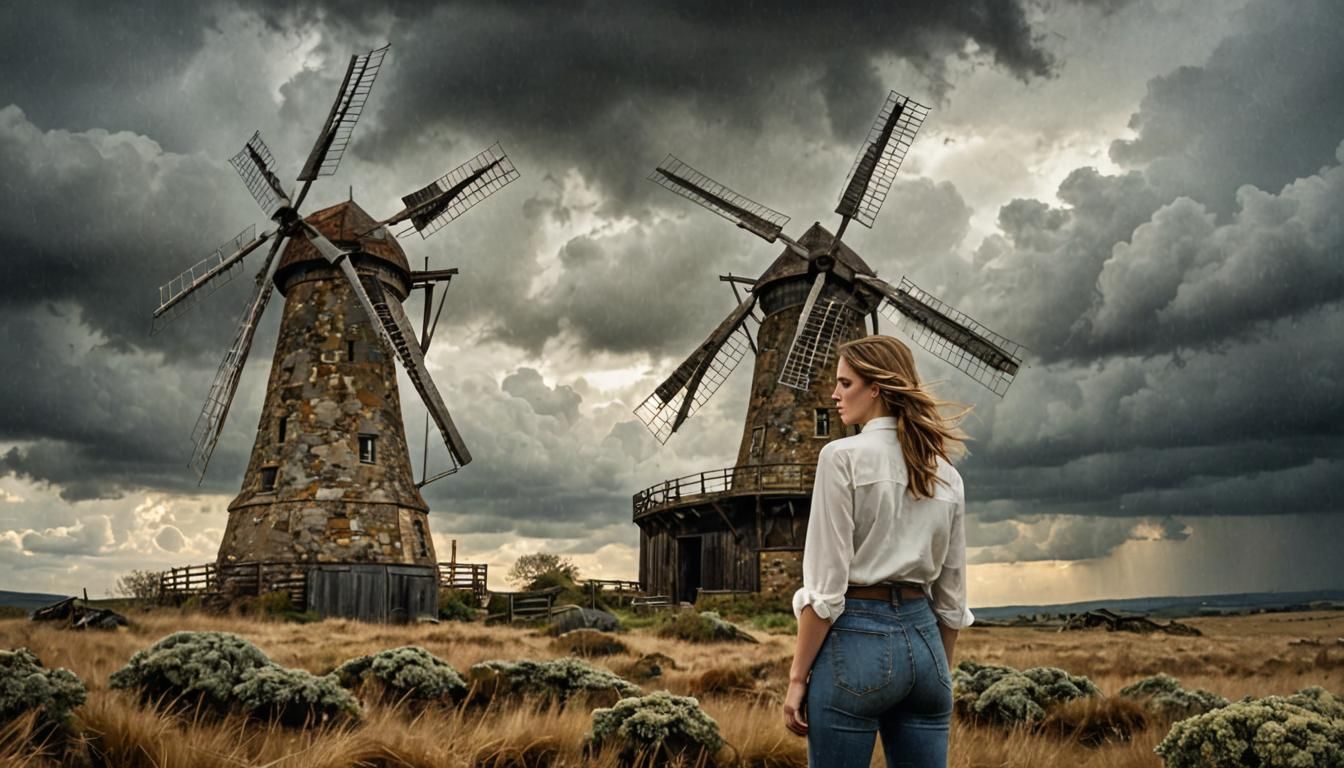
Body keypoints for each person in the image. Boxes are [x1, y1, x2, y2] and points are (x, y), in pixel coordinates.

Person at [783, 335, 973, 768]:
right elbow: (952, 597)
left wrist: (797, 679)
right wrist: (938, 672)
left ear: (877, 389)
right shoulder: (946, 475)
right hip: (927, 647)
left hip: (857, 639)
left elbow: (826, 590)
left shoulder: (841, 457)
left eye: (845, 383)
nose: (834, 394)